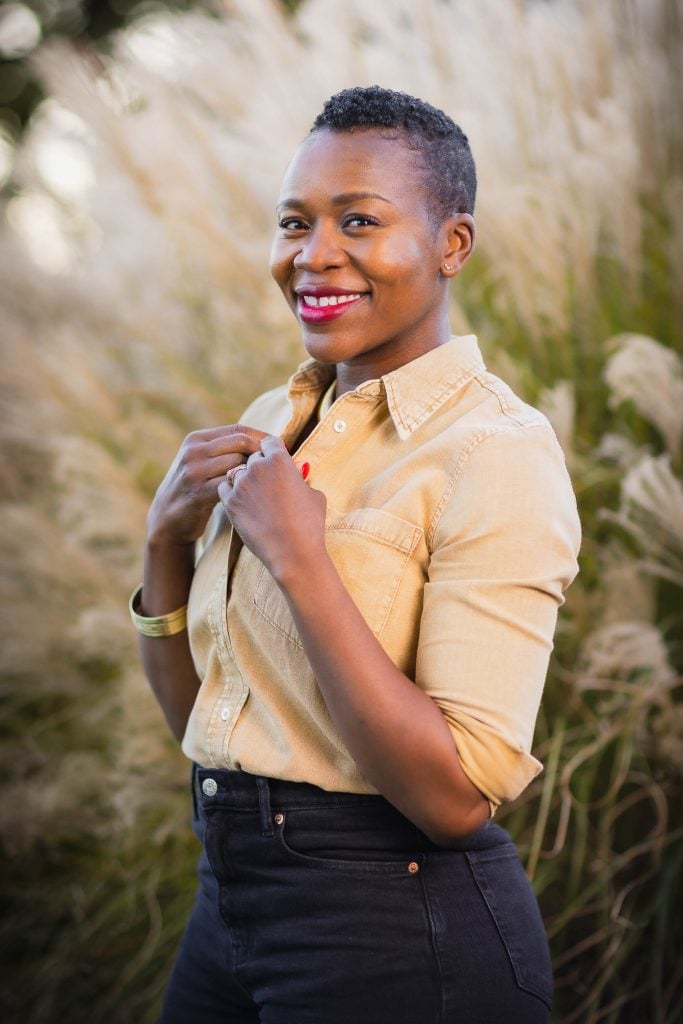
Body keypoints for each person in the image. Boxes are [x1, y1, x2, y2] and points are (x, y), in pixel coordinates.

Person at [129, 86, 581, 1024]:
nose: (313, 254)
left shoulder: (494, 450)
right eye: (294, 221)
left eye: (359, 221)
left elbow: (456, 800)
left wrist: (303, 562)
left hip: (396, 932)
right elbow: (207, 722)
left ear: (452, 243)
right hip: (227, 908)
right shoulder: (270, 423)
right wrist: (164, 541)